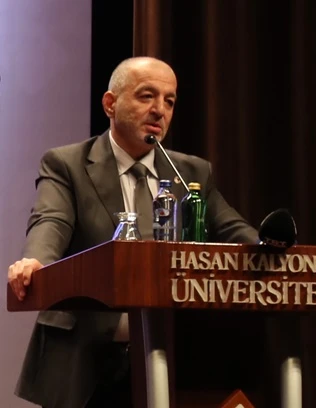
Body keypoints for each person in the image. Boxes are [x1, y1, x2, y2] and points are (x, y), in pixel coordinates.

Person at [7, 56, 259, 408]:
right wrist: (36, 261)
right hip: (85, 360)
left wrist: (268, 249)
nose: (159, 110)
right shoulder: (67, 163)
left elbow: (233, 228)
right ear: (110, 104)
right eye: (146, 96)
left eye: (169, 101)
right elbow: (51, 221)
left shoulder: (191, 172)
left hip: (171, 358)